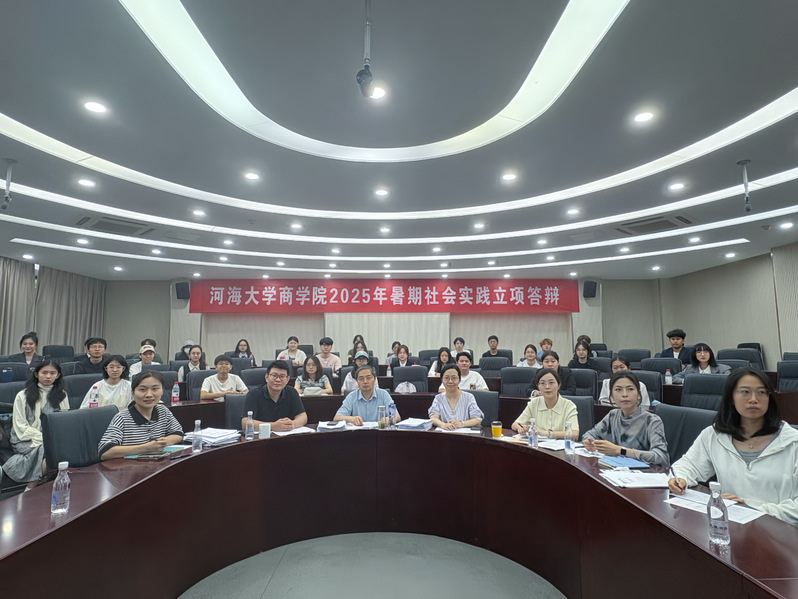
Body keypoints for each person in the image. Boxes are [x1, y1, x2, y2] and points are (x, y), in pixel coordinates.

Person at [669, 368, 798, 525]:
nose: (753, 399)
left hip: (780, 532)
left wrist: (752, 509)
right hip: (731, 528)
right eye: (745, 392)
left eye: (761, 392)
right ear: (731, 397)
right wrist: (680, 478)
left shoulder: (793, 442)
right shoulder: (714, 435)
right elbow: (689, 465)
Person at [1, 361, 70, 489]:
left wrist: (50, 438)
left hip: (51, 437)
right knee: (49, 449)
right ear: (36, 374)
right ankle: (32, 487)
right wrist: (44, 437)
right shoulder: (23, 395)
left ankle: (32, 487)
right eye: (44, 372)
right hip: (23, 437)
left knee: (51, 449)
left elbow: (63, 421)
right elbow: (19, 424)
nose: (48, 376)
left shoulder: (62, 395)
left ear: (58, 375)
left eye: (52, 373)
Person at [583, 371, 669, 467]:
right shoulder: (612, 415)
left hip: (643, 473)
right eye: (618, 389)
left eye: (630, 389)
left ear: (639, 394)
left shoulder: (652, 421)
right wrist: (589, 441)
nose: (624, 394)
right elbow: (590, 434)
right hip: (615, 470)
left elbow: (662, 457)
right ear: (611, 396)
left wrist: (620, 450)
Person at [98, 370, 184, 460]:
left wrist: (162, 442)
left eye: (155, 389)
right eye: (142, 389)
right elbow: (105, 452)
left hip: (157, 465)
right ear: (133, 392)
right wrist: (146, 447)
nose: (149, 395)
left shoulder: (163, 411)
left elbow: (178, 434)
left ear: (162, 391)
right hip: (129, 467)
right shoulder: (122, 418)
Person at [511, 368, 579, 440]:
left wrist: (546, 433)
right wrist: (520, 428)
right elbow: (515, 424)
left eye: (551, 383)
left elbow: (575, 434)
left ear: (559, 385)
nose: (547, 387)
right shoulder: (534, 403)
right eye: (542, 383)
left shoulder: (569, 405)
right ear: (538, 386)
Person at [243, 360, 308, 432]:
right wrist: (273, 426)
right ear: (266, 377)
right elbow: (245, 422)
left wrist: (291, 424)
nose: (278, 380)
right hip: (262, 437)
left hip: (285, 436)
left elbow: (303, 416)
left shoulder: (292, 392)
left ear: (287, 379)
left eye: (282, 376)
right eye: (274, 375)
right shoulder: (254, 394)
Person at [334, 365, 402, 425]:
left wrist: (389, 419)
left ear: (374, 379)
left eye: (368, 377)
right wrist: (351, 419)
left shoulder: (384, 394)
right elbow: (337, 418)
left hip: (379, 433)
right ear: (357, 381)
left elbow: (397, 416)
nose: (365, 381)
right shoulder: (351, 397)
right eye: (361, 378)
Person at [428, 364, 484, 430]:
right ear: (442, 380)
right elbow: (433, 417)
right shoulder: (438, 398)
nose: (450, 381)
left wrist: (461, 424)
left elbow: (477, 419)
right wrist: (443, 425)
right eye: (446, 378)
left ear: (459, 380)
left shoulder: (469, 397)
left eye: (454, 378)